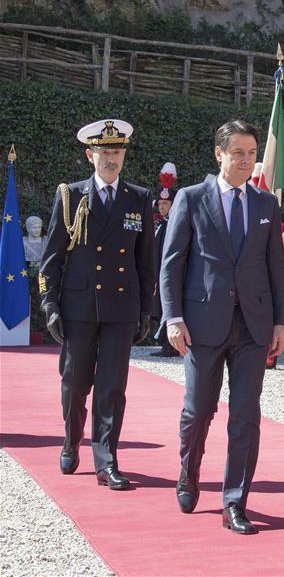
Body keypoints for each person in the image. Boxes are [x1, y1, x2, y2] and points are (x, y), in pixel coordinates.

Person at [160, 119, 284, 534]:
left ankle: (235, 501)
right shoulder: (191, 198)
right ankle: (188, 471)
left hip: (252, 326)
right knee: (198, 410)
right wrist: (173, 317)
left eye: (251, 153)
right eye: (238, 153)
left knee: (246, 415)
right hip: (202, 324)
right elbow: (172, 262)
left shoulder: (266, 204)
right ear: (219, 154)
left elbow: (275, 266)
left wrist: (280, 320)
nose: (246, 160)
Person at [38, 119, 154, 489]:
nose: (111, 159)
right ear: (90, 155)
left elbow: (145, 261)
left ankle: (106, 460)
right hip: (79, 306)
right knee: (74, 382)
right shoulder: (71, 196)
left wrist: (145, 309)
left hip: (121, 307)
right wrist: (49, 304)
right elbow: (52, 257)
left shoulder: (139, 198)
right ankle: (72, 439)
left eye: (117, 152)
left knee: (112, 387)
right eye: (104, 152)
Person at [151, 162, 178, 357]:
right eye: (160, 204)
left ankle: (170, 345)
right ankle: (164, 343)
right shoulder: (159, 224)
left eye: (165, 204)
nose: (162, 207)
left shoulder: (175, 224)